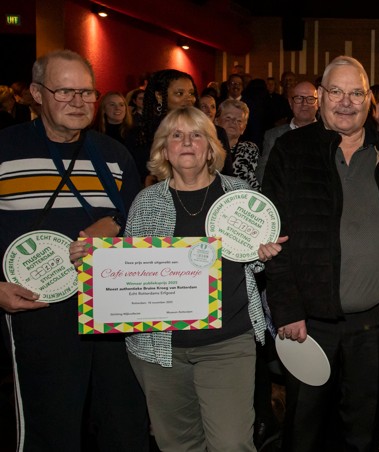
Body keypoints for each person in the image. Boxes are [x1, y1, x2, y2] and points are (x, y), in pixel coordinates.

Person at [0, 49, 148, 451]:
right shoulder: (5, 150)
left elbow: (141, 222)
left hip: (112, 313)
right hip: (39, 313)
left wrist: (117, 225)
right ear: (35, 92)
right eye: (65, 91)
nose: (79, 102)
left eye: (87, 92)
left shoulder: (115, 155)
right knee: (51, 428)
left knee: (125, 424)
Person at [262, 55, 379, 452]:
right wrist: (287, 309)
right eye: (336, 92)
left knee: (362, 433)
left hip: (375, 325)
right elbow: (270, 236)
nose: (346, 102)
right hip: (308, 325)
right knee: (304, 431)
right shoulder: (290, 151)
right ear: (320, 97)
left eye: (356, 93)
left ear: (369, 100)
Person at [121, 106, 283, 452]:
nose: (187, 142)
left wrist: (262, 256)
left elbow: (254, 268)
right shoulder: (145, 203)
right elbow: (127, 277)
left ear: (211, 148)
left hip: (227, 342)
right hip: (161, 349)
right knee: (177, 444)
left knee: (232, 443)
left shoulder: (239, 196)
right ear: (164, 149)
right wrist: (93, 265)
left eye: (197, 135)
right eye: (176, 135)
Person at [128, 69, 199, 185]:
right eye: (179, 93)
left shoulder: (210, 132)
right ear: (159, 96)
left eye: (191, 93)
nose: (189, 99)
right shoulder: (141, 136)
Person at [257, 81, 319, 183]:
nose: (304, 103)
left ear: (318, 103)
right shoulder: (273, 136)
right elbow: (263, 173)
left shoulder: (330, 135)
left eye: (310, 99)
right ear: (290, 103)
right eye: (299, 98)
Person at [216, 99, 261, 190]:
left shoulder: (249, 149)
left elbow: (254, 186)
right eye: (228, 117)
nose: (233, 122)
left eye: (239, 121)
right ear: (216, 121)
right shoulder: (206, 148)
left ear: (243, 129)